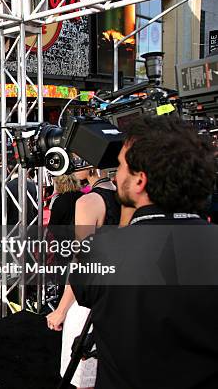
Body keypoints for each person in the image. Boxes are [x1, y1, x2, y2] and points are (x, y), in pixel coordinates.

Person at [69, 114, 218, 389]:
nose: (116, 176)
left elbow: (84, 289)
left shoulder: (105, 251)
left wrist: (127, 212)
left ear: (140, 182)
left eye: (122, 167)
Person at [46, 166, 120, 389]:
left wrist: (61, 310)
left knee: (84, 375)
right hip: (121, 299)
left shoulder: (89, 203)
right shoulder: (126, 197)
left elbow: (82, 264)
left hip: (90, 302)